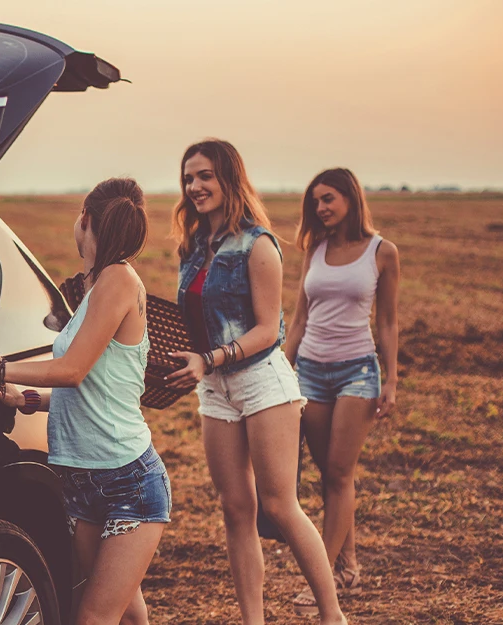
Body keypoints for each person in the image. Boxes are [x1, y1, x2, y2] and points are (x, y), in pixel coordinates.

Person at [0, 178, 167, 625]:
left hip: (128, 482)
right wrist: (21, 396)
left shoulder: (119, 280)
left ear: (85, 218)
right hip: (85, 482)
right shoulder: (99, 285)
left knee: (91, 616)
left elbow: (72, 372)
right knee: (127, 613)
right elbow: (94, 389)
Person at [163, 140, 347, 624]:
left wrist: (212, 356)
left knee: (280, 505)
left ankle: (333, 616)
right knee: (235, 509)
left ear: (228, 178)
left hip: (262, 382)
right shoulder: (193, 247)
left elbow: (268, 330)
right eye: (188, 179)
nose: (195, 187)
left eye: (204, 176)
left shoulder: (258, 244)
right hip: (216, 388)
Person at [283, 168, 400, 613]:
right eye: (315, 201)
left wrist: (390, 378)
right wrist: (283, 371)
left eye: (328, 198)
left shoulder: (382, 251)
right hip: (311, 371)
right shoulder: (315, 249)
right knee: (326, 475)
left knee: (338, 473)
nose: (321, 208)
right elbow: (298, 320)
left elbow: (387, 321)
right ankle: (347, 565)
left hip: (357, 373)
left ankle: (324, 580)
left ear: (351, 197)